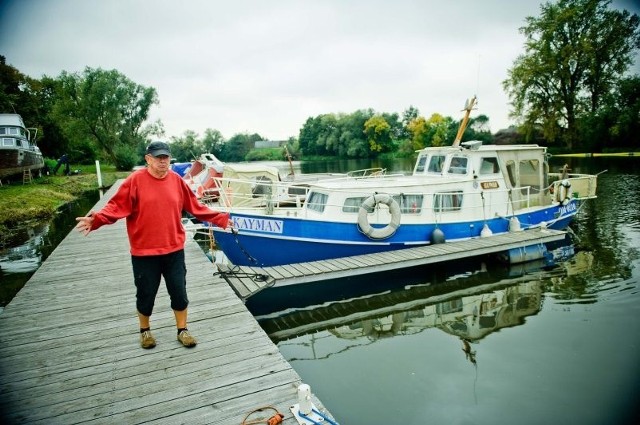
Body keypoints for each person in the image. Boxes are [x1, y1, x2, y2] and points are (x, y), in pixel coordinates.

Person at [75, 141, 231, 349]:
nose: (162, 161)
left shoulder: (177, 181)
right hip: (144, 252)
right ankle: (145, 331)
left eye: (165, 157)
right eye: (158, 158)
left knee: (179, 292)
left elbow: (196, 207)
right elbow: (115, 206)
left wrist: (220, 218)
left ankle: (182, 330)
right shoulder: (135, 181)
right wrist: (97, 220)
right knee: (146, 294)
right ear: (147, 159)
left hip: (173, 250)